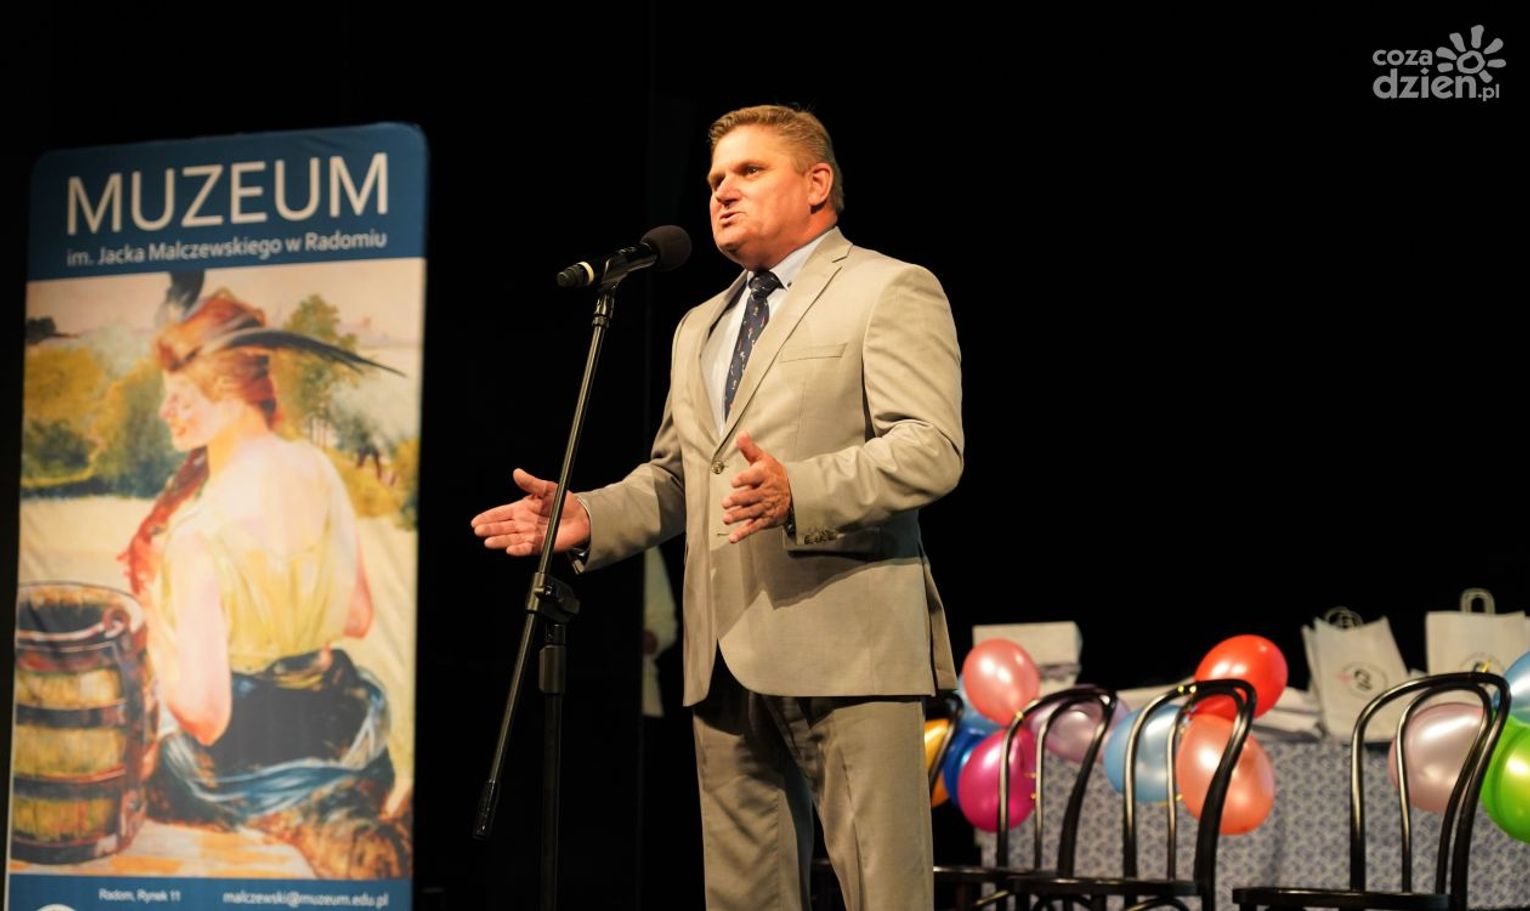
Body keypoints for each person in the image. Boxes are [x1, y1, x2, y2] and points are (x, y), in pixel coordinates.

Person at [472, 104, 963, 910]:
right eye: (714, 179)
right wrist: (591, 514)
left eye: (748, 170)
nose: (722, 192)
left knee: (885, 894)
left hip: (850, 646)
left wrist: (802, 487)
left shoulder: (888, 287)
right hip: (723, 654)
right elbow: (677, 478)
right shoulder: (700, 324)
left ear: (817, 183)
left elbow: (930, 447)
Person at [121, 288, 409, 878]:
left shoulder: (197, 531)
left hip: (251, 766)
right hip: (347, 734)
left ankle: (340, 834)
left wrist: (160, 614)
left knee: (151, 771)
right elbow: (356, 617)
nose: (165, 412)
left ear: (230, 398)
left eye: (180, 398)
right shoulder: (317, 468)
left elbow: (206, 716)